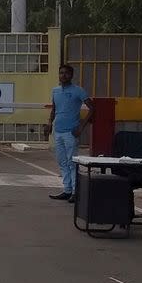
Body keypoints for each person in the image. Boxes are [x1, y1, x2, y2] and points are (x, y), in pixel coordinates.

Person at [43, 64, 95, 203]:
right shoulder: (55, 91)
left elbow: (92, 108)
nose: (63, 75)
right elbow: (54, 109)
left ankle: (75, 192)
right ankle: (67, 189)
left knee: (72, 162)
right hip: (58, 131)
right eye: (61, 73)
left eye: (66, 73)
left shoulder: (78, 91)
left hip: (71, 132)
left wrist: (81, 127)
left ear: (71, 75)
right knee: (62, 162)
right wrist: (49, 123)